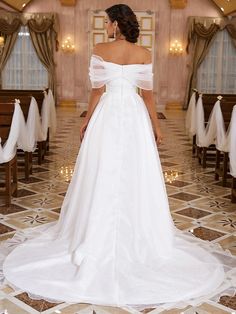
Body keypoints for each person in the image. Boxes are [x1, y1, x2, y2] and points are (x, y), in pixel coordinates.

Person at [0, 4, 234, 313]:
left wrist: (86, 121)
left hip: (108, 114)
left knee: (102, 170)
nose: (107, 26)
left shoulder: (100, 48)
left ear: (115, 24)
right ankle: (140, 233)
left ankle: (93, 230)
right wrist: (156, 125)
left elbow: (96, 92)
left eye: (108, 22)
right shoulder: (143, 53)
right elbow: (148, 95)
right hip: (135, 115)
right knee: (136, 172)